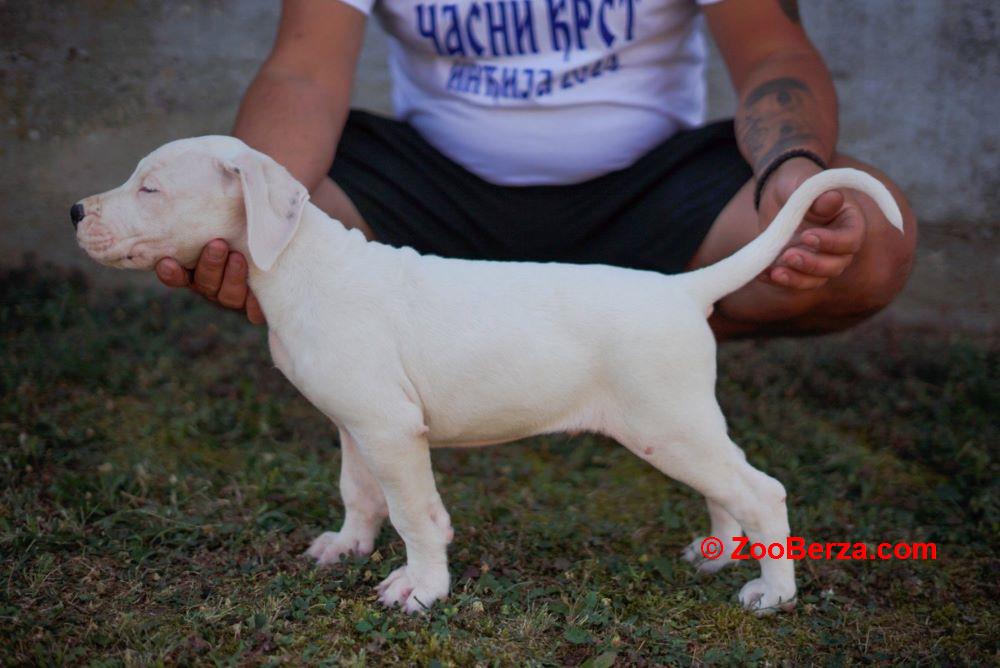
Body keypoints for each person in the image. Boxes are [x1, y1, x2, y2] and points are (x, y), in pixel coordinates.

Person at [155, 0, 915, 339]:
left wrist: (791, 168)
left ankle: (622, 349)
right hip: (433, 218)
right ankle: (492, 348)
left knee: (867, 233)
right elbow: (304, 77)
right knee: (241, 216)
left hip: (645, 197)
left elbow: (774, 55)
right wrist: (256, 213)